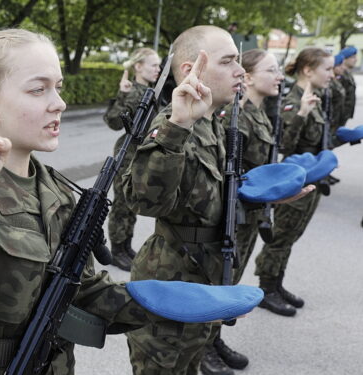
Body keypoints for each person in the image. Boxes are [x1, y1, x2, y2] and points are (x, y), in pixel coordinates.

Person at [0, 28, 260, 375]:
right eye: (38, 89)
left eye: (57, 87)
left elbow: (80, 288)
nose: (58, 103)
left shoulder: (52, 187)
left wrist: (163, 302)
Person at [122, 25, 246, 375]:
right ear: (191, 70)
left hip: (202, 274)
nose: (240, 70)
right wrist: (177, 127)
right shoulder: (174, 126)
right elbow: (143, 202)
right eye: (228, 61)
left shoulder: (211, 123)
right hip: (172, 279)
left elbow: (209, 197)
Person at [200, 49, 315, 375]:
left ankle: (213, 337)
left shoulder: (261, 113)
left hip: (250, 215)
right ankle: (203, 346)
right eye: (271, 70)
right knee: (220, 283)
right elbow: (224, 176)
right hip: (232, 216)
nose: (280, 76)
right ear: (248, 77)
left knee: (231, 280)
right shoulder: (235, 117)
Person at [253, 47, 334, 317]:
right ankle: (266, 289)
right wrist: (300, 114)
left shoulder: (317, 97)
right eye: (327, 69)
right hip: (296, 177)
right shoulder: (291, 100)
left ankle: (277, 283)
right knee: (280, 237)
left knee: (292, 236)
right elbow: (284, 144)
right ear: (308, 70)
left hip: (313, 176)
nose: (331, 75)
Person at [103, 48, 162, 271]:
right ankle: (117, 250)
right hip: (127, 154)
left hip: (141, 154)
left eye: (158, 66)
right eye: (153, 65)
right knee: (121, 204)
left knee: (132, 202)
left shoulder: (151, 91)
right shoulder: (132, 91)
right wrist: (122, 95)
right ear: (138, 67)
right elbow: (113, 122)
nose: (157, 69)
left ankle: (126, 246)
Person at [338, 46, 357, 124]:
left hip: (344, 115)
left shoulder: (348, 74)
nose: (356, 60)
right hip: (338, 116)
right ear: (344, 59)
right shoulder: (340, 75)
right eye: (353, 57)